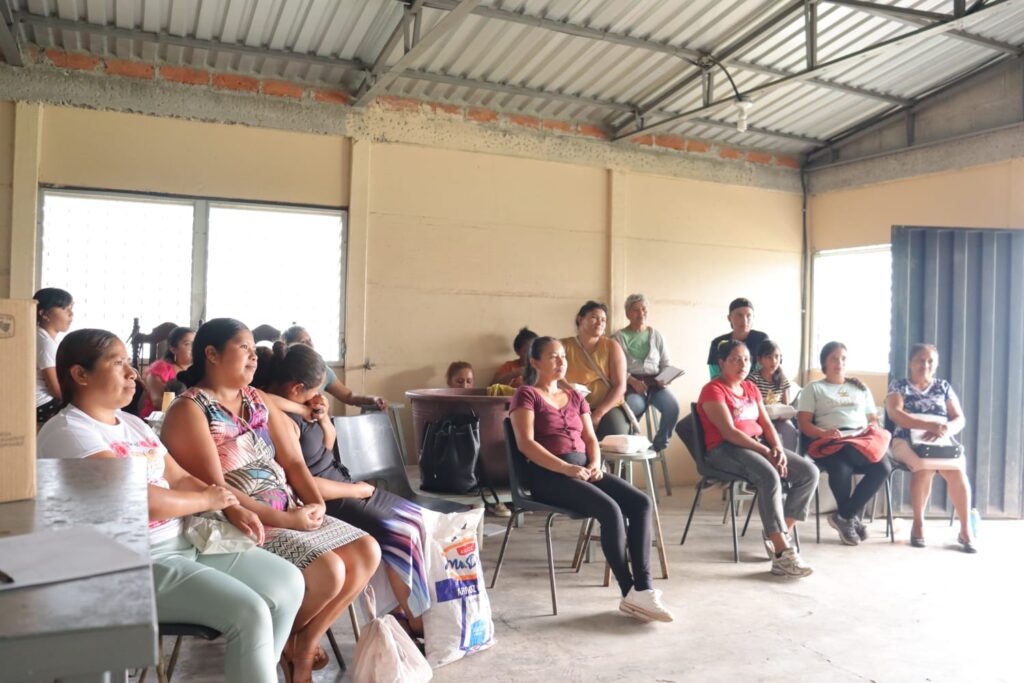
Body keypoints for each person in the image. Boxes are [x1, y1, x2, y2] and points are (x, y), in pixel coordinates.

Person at [37, 329, 304, 683]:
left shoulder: (132, 424)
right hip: (130, 561)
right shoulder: (68, 432)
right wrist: (207, 499)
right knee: (249, 611)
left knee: (286, 583)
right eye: (118, 363)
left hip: (184, 542)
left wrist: (227, 504)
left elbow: (178, 478)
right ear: (80, 374)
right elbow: (137, 499)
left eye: (128, 363)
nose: (132, 372)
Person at [161, 319, 381, 683]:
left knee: (367, 552)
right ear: (212, 354)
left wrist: (317, 504)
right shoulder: (191, 409)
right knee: (330, 571)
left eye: (253, 349)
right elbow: (218, 491)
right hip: (236, 519)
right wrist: (289, 521)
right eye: (243, 348)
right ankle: (287, 651)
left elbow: (294, 461)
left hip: (286, 508)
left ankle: (302, 645)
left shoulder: (255, 399)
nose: (254, 357)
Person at [256, 341, 432, 635]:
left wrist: (324, 422)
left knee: (417, 518)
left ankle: (403, 609)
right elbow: (299, 484)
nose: (319, 398)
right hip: (330, 498)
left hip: (344, 484)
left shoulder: (302, 410)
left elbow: (321, 455)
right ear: (296, 388)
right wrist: (357, 492)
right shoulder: (276, 419)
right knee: (401, 533)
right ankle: (415, 621)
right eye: (315, 392)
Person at [510, 336, 673, 622]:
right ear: (535, 362)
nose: (561, 361)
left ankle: (643, 588)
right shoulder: (526, 395)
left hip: (584, 470)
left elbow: (589, 438)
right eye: (553, 357)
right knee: (610, 510)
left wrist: (596, 464)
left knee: (640, 503)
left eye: (563, 356)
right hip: (547, 476)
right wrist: (565, 468)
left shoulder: (574, 396)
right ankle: (628, 591)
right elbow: (526, 444)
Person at [697, 340, 817, 576]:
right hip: (724, 449)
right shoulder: (713, 390)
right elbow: (729, 432)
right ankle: (782, 554)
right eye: (735, 359)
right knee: (768, 476)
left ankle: (779, 534)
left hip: (757, 445)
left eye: (746, 359)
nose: (742, 363)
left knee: (808, 473)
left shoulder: (750, 388)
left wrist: (778, 449)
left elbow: (765, 423)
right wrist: (766, 452)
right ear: (721, 363)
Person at [797, 341, 892, 546]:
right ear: (824, 362)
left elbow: (873, 420)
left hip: (860, 439)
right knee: (841, 469)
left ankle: (845, 515)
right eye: (834, 358)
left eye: (843, 358)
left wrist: (869, 431)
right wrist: (823, 433)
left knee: (883, 467)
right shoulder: (814, 388)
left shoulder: (859, 387)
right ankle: (849, 518)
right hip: (830, 442)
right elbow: (804, 423)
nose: (839, 362)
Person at [885, 343, 976, 552]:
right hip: (905, 440)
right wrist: (928, 426)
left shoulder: (943, 387)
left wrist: (944, 429)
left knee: (957, 471)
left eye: (930, 361)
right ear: (911, 363)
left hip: (940, 439)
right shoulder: (899, 386)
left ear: (936, 365)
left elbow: (959, 418)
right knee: (923, 466)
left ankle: (965, 530)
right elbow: (895, 414)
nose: (925, 365)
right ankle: (918, 524)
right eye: (920, 360)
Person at [611, 294, 680, 453]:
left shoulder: (656, 335)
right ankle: (628, 450)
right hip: (632, 385)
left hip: (656, 384)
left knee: (672, 407)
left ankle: (657, 446)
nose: (641, 313)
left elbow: (666, 363)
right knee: (631, 410)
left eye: (643, 309)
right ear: (628, 314)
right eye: (635, 310)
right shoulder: (618, 337)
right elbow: (615, 367)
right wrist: (632, 381)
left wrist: (665, 379)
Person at [562, 301, 632, 439]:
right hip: (572, 407)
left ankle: (608, 461)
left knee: (614, 433)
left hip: (607, 408)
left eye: (604, 320)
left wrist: (598, 414)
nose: (600, 322)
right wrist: (572, 395)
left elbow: (620, 386)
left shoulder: (612, 346)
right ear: (580, 319)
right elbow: (554, 376)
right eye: (594, 317)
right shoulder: (563, 346)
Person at [282, 325, 387, 413]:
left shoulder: (323, 370)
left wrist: (372, 399)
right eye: (303, 342)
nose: (310, 344)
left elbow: (348, 396)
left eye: (310, 340)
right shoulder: (284, 372)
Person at [747, 339, 799, 451]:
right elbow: (750, 406)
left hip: (779, 418)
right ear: (760, 359)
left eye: (777, 356)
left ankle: (790, 462)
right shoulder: (753, 379)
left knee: (791, 432)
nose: (774, 361)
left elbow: (786, 404)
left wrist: (784, 415)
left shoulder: (782, 378)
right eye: (769, 357)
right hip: (760, 419)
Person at [34, 287, 74, 425]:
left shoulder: (43, 337)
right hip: (41, 404)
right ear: (44, 314)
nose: (71, 314)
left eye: (71, 308)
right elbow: (55, 389)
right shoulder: (45, 343)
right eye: (65, 309)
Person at [707, 297, 769, 379]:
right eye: (739, 315)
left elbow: (770, 370)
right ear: (729, 318)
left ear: (753, 317)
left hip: (758, 389)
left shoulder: (761, 339)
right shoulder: (718, 343)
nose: (745, 320)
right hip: (728, 390)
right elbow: (714, 377)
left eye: (749, 316)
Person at [141, 326, 194, 418]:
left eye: (196, 344)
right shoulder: (161, 368)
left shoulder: (198, 369)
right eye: (187, 344)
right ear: (173, 348)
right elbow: (157, 401)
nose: (193, 348)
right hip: (158, 421)